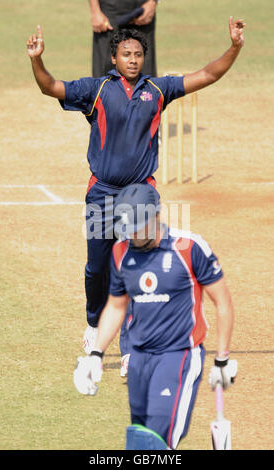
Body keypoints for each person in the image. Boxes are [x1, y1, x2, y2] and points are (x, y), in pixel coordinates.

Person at [26, 18, 246, 365]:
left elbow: (207, 74)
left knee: (134, 264)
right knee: (97, 268)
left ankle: (131, 347)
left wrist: (234, 47)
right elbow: (51, 87)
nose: (132, 59)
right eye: (126, 54)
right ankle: (93, 322)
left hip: (141, 195)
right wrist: (36, 59)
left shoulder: (158, 90)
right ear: (113, 58)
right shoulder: (96, 89)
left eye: (138, 54)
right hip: (101, 193)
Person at [73, 183, 238, 450]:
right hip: (139, 359)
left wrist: (222, 359)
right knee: (139, 440)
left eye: (136, 227)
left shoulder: (189, 248)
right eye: (127, 229)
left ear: (155, 217)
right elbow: (116, 307)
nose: (131, 235)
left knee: (156, 443)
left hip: (179, 355)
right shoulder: (121, 252)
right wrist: (96, 354)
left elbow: (223, 302)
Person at [89, 0, 159, 77]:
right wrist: (95, 10)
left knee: (146, 76)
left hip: (143, 8)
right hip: (109, 11)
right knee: (104, 75)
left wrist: (153, 2)